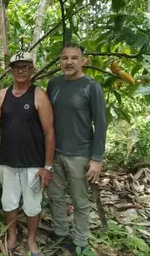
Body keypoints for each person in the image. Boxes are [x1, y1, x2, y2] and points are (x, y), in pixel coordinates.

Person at [0, 52, 55, 255]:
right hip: (7, 160)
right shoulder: (1, 95)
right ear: (11, 70)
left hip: (33, 162)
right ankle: (13, 235)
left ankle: (32, 239)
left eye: (25, 67)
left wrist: (47, 166)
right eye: (17, 67)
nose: (21, 71)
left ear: (32, 70)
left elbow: (49, 131)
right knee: (9, 201)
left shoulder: (39, 95)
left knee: (33, 205)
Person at [46, 43, 107, 254]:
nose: (69, 62)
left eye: (74, 58)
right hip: (54, 152)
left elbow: (100, 123)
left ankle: (80, 240)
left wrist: (97, 158)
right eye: (64, 58)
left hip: (80, 154)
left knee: (80, 201)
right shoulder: (53, 84)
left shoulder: (91, 87)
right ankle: (60, 234)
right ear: (60, 61)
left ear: (83, 61)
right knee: (55, 196)